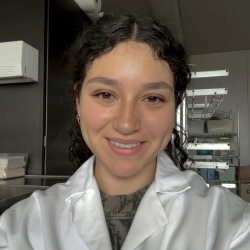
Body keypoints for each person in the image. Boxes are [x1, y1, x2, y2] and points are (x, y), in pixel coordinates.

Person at [0, 14, 250, 250]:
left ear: (174, 106)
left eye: (152, 98)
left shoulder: (232, 225)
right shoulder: (18, 228)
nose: (127, 124)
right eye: (105, 94)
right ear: (78, 101)